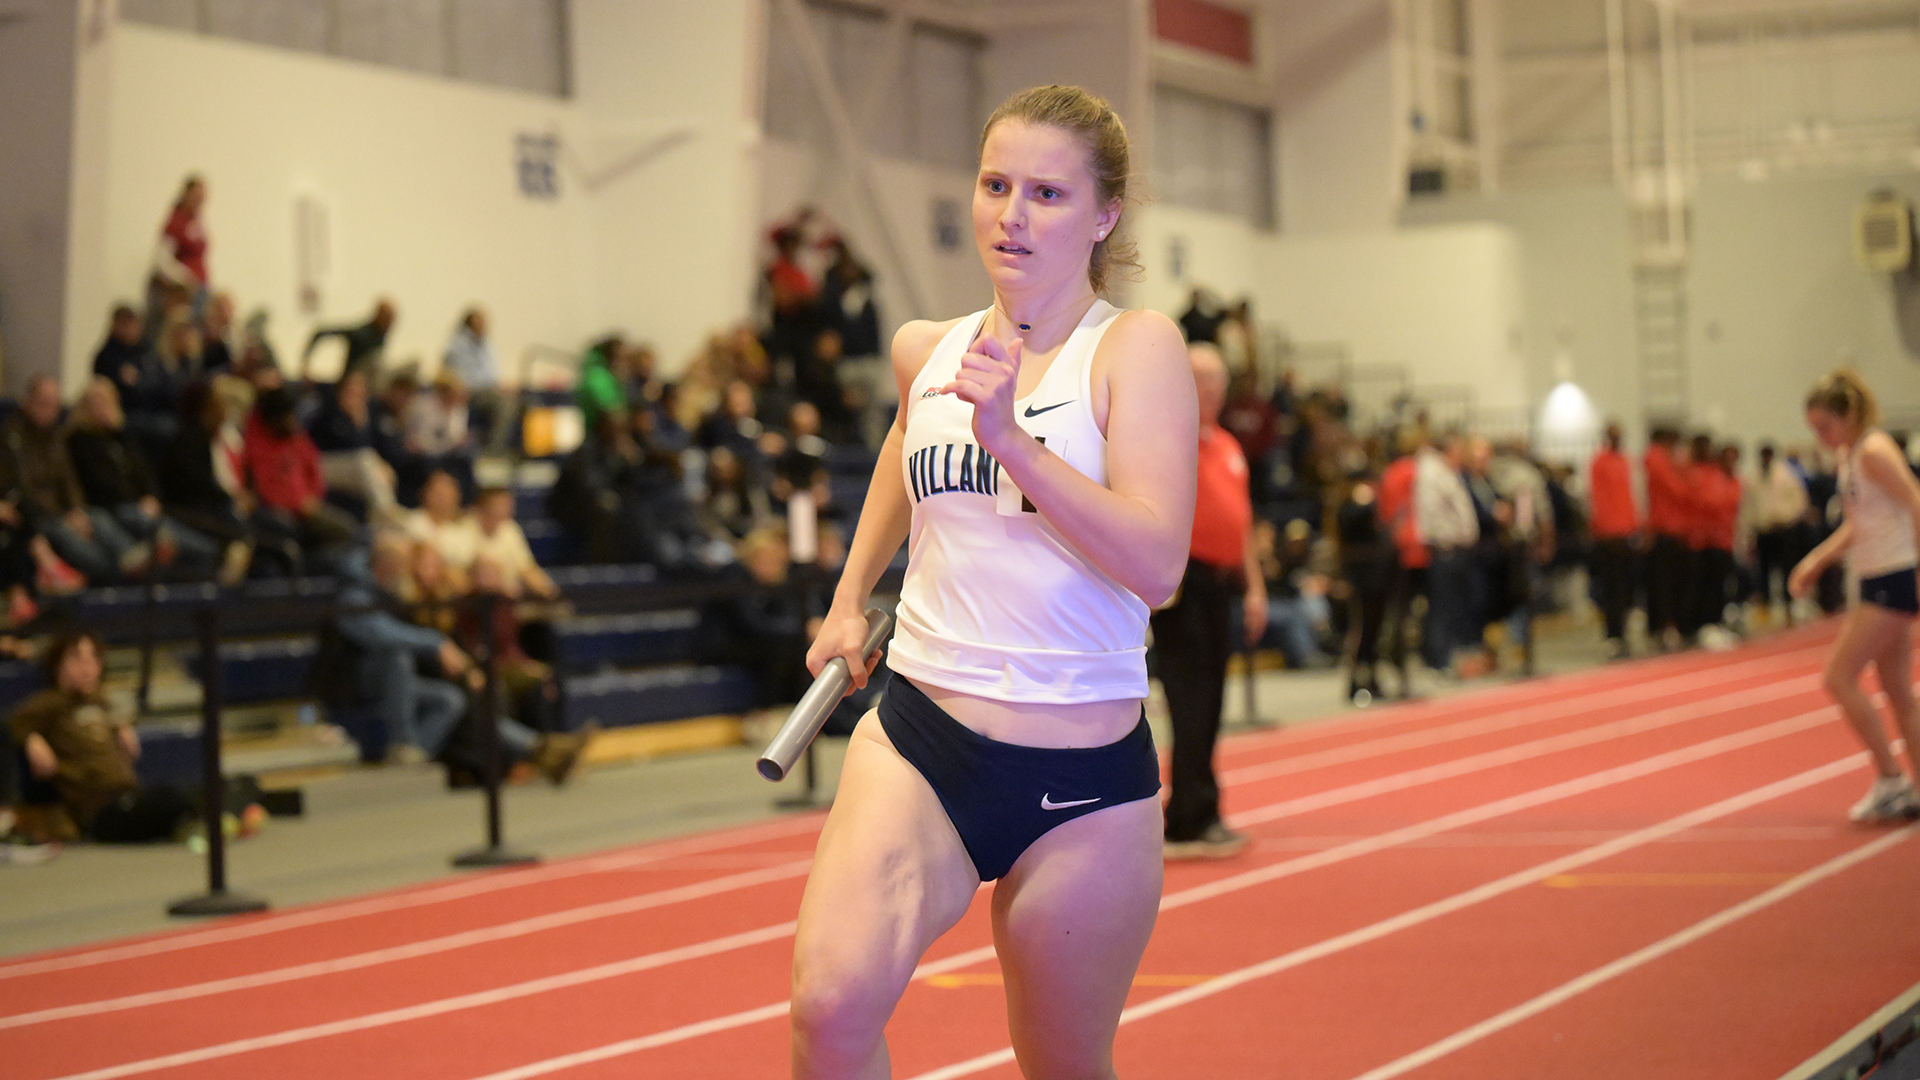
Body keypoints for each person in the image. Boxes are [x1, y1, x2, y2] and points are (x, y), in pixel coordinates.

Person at [792, 85, 1194, 1078]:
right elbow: (904, 447)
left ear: (1103, 215)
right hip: (923, 739)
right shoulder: (926, 350)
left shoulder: (1134, 350)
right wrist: (848, 599)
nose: (1012, 215)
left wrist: (1013, 442)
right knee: (829, 1010)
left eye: (1048, 194)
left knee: (1061, 1061)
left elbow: (1158, 566)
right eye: (995, 185)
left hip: (1083, 776)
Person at [1789, 371, 1920, 822]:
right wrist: (1817, 560)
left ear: (1847, 416)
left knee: (1839, 677)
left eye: (1825, 427)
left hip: (1892, 579)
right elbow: (1860, 522)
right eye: (1814, 430)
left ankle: (1890, 778)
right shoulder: (1851, 455)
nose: (1820, 438)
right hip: (1876, 577)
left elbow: (1916, 502)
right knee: (1898, 692)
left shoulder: (1874, 452)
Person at [1152, 342, 1264, 860]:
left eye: (1218, 379)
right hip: (1184, 583)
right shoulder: (1165, 439)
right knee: (1190, 700)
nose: (1212, 389)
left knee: (1213, 698)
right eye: (1201, 378)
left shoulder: (1227, 445)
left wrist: (1255, 587)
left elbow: (1242, 522)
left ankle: (1201, 807)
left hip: (1222, 583)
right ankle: (1188, 815)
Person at [65, 377, 235, 582]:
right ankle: (210, 554)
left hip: (139, 506)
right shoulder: (80, 441)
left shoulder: (122, 437)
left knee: (170, 522)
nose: (103, 409)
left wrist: (151, 496)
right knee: (154, 526)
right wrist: (138, 502)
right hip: (112, 508)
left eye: (106, 402)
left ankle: (210, 562)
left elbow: (144, 472)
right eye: (96, 404)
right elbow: (99, 483)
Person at [0, 376, 151, 584]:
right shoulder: (13, 438)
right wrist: (62, 515)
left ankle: (131, 559)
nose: (48, 410)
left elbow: (70, 480)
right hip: (40, 516)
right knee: (69, 537)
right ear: (27, 402)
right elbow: (23, 488)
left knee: (98, 517)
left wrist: (76, 510)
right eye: (43, 403)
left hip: (63, 511)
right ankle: (114, 578)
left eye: (54, 405)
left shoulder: (56, 437)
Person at [1588, 422, 1640, 658]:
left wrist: (1636, 526)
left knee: (1627, 588)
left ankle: (1624, 633)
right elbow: (1597, 498)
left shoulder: (1626, 461)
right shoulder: (1599, 462)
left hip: (1627, 532)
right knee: (1612, 588)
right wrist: (1603, 529)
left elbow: (1630, 496)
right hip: (1609, 535)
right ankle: (1613, 635)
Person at [1644, 425, 1692, 649]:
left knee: (1666, 582)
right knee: (1665, 583)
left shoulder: (1663, 460)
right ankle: (1665, 626)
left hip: (1672, 528)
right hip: (1664, 529)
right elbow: (1678, 490)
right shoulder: (1657, 460)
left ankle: (1663, 626)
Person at [303, 298, 396, 379]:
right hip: (351, 383)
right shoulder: (362, 335)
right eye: (387, 319)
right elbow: (322, 332)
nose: (389, 325)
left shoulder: (379, 338)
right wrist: (306, 363)